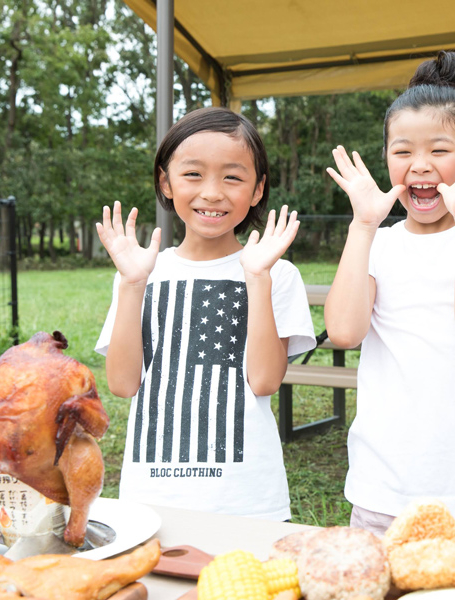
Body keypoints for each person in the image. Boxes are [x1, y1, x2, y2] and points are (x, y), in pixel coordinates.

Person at [324, 51, 455, 551]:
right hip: (383, 482)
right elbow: (344, 333)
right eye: (402, 151)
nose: (420, 167)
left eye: (440, 150)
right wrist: (363, 225)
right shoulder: (378, 242)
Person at [94, 107, 316, 521]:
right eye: (193, 174)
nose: (212, 192)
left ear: (257, 189)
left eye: (232, 177)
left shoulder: (276, 273)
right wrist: (131, 285)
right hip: (151, 495)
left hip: (248, 500)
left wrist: (258, 278)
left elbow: (265, 381)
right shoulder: (140, 272)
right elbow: (123, 384)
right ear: (166, 181)